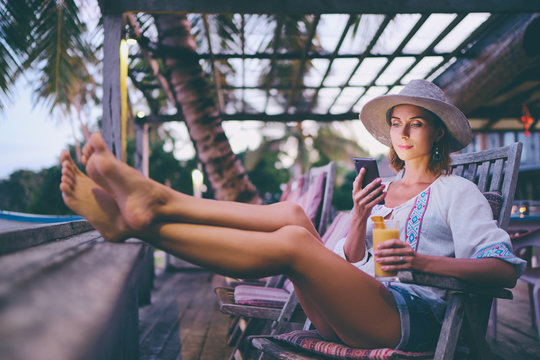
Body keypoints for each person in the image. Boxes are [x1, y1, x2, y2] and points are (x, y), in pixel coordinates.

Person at [59, 79, 525, 352]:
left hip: (409, 319)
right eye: (397, 124)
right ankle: (157, 204)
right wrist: (361, 221)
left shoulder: (456, 190)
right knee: (293, 214)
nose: (402, 133)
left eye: (416, 123)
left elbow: (502, 269)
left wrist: (425, 264)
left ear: (437, 132)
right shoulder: (388, 190)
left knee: (295, 242)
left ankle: (145, 221)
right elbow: (361, 261)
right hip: (361, 305)